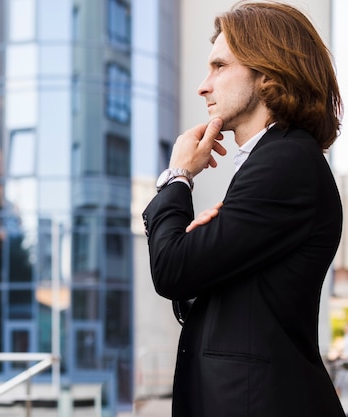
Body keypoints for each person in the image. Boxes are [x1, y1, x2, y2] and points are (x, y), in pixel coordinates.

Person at [142, 2, 345, 416]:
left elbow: (171, 268)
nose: (203, 86)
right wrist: (200, 254)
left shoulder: (284, 163)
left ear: (267, 72)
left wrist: (178, 175)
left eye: (219, 66)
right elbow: (229, 291)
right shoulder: (276, 161)